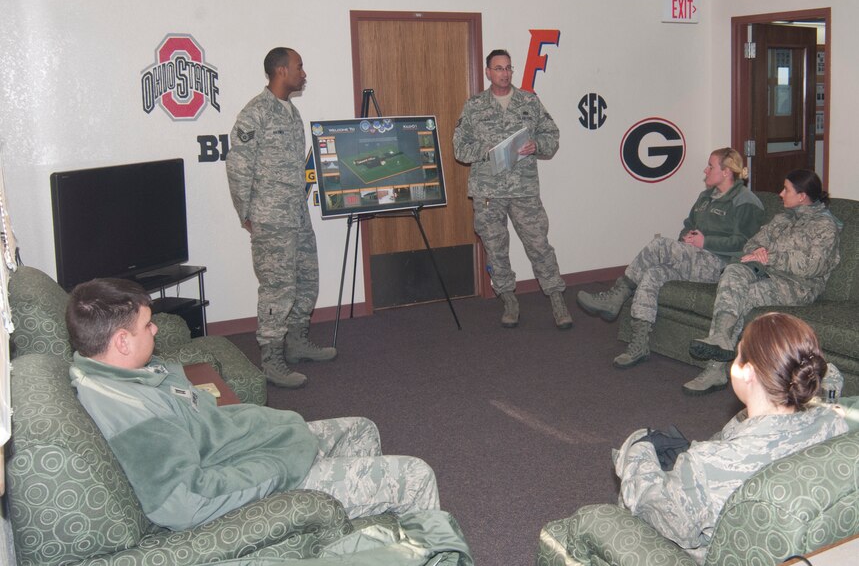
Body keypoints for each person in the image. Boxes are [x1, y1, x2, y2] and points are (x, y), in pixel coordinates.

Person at [66, 278, 439, 531]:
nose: (156, 330)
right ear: (121, 342)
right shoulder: (129, 414)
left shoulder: (119, 372)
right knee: (416, 475)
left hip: (253, 447)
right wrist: (277, 466)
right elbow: (185, 501)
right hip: (264, 478)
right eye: (147, 326)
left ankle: (360, 543)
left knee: (362, 428)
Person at [611, 313, 847, 564]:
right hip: (810, 547)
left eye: (738, 355)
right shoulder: (834, 420)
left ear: (747, 372)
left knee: (628, 498)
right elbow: (832, 376)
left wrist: (638, 449)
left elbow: (655, 513)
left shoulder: (707, 464)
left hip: (710, 554)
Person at [577, 148, 764, 370]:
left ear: (725, 172)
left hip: (720, 265)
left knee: (659, 244)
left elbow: (745, 243)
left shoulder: (746, 201)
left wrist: (706, 242)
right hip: (694, 259)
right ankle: (639, 344)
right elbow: (688, 225)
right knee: (652, 274)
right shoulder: (705, 197)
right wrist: (685, 239)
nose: (705, 170)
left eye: (710, 166)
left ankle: (617, 295)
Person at [226, 47, 334, 389]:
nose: (304, 73)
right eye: (299, 67)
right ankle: (271, 358)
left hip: (297, 213)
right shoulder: (255, 113)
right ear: (281, 71)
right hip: (271, 218)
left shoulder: (293, 113)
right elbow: (238, 166)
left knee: (306, 278)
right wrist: (246, 211)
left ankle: (297, 341)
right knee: (277, 288)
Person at [686, 169, 841, 395]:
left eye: (786, 189)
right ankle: (720, 338)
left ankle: (715, 369)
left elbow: (811, 267)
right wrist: (758, 252)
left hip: (800, 285)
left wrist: (769, 257)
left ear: (802, 196)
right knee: (733, 271)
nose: (780, 193)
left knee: (743, 296)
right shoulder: (783, 218)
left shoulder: (824, 226)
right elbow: (751, 245)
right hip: (767, 271)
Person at [452, 49, 573, 330]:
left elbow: (551, 135)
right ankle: (509, 299)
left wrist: (537, 146)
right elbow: (459, 148)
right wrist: (488, 151)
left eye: (508, 68)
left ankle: (556, 298)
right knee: (496, 249)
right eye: (498, 68)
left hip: (524, 190)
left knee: (539, 245)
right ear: (487, 72)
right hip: (488, 193)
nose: (504, 73)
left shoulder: (528, 101)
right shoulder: (474, 106)